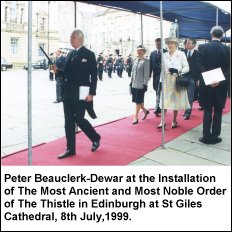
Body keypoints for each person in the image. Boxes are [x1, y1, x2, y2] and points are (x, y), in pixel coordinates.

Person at [52, 29, 101, 159]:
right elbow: (66, 74)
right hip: (68, 92)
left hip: (83, 91)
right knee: (68, 121)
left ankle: (95, 137)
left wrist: (92, 93)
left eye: (72, 37)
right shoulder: (70, 54)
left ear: (81, 39)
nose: (70, 39)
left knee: (79, 119)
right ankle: (70, 149)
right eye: (70, 37)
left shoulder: (89, 54)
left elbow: (94, 76)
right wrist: (58, 71)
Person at [197, 26, 230, 144]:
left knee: (207, 109)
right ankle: (215, 136)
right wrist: (218, 80)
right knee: (218, 110)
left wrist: (210, 79)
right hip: (221, 85)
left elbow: (199, 66)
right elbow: (228, 69)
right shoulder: (228, 49)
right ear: (222, 35)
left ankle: (206, 136)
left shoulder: (202, 47)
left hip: (207, 84)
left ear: (211, 34)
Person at [157, 37, 190, 129]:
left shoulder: (181, 54)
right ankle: (162, 122)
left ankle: (174, 120)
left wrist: (178, 71)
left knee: (175, 101)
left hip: (176, 80)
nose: (170, 45)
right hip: (166, 80)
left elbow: (187, 67)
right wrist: (160, 82)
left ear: (176, 44)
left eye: (172, 43)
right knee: (164, 101)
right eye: (168, 43)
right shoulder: (164, 55)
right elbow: (162, 70)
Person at [130, 45, 150, 124]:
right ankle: (145, 111)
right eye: (138, 50)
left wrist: (145, 85)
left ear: (144, 52)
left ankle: (136, 117)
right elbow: (132, 72)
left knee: (138, 101)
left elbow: (146, 74)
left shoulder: (146, 61)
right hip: (134, 84)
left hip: (141, 85)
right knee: (136, 101)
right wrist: (131, 82)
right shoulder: (135, 60)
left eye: (141, 50)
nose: (139, 52)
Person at [183, 38, 202, 120]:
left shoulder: (198, 54)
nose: (186, 44)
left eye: (189, 43)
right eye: (186, 43)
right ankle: (185, 110)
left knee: (190, 96)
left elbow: (199, 68)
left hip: (192, 78)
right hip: (183, 77)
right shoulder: (182, 53)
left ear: (193, 45)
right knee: (184, 96)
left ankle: (188, 113)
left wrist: (198, 79)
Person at [149, 38, 167, 117]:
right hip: (156, 76)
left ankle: (159, 107)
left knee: (162, 92)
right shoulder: (152, 53)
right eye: (156, 44)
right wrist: (149, 75)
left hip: (164, 76)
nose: (157, 45)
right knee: (157, 91)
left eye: (159, 44)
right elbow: (150, 65)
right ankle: (158, 107)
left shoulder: (166, 52)